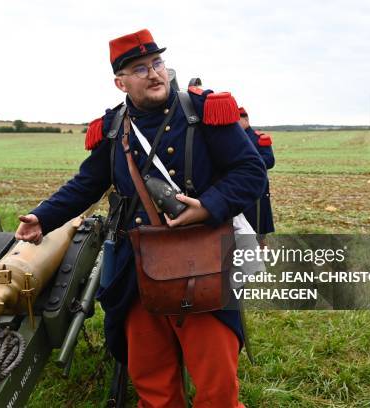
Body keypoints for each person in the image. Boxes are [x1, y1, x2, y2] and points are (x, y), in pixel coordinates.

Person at [15, 29, 266, 407]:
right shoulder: (114, 127)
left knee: (216, 385)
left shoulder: (204, 111)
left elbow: (250, 172)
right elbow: (86, 184)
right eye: (140, 68)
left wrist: (207, 206)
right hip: (136, 267)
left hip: (201, 261)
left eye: (157, 63)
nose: (154, 74)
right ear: (120, 82)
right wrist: (42, 217)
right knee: (152, 381)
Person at [238, 107, 275, 242]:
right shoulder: (232, 138)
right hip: (238, 185)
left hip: (256, 185)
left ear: (246, 119)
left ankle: (260, 244)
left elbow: (269, 161)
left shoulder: (260, 138)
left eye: (237, 120)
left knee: (258, 221)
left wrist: (249, 164)